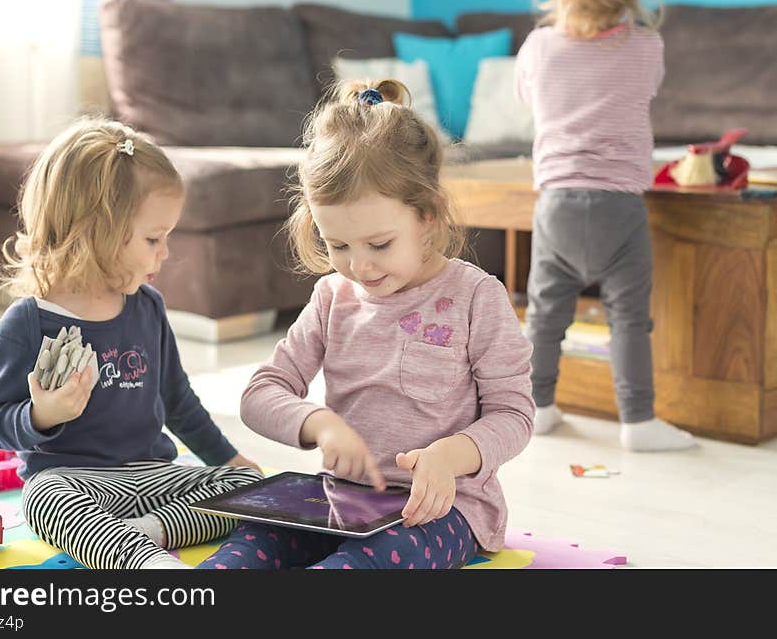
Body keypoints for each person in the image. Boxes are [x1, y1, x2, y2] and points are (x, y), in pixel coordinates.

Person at [196, 80, 535, 570]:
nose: (360, 267)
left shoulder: (476, 296)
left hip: (443, 509)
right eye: (338, 245)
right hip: (341, 500)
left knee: (357, 568)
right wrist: (319, 424)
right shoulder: (332, 297)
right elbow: (259, 394)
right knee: (242, 552)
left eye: (378, 244)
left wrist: (449, 456)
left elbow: (514, 415)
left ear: (428, 216)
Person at [0, 117, 263, 569]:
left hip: (152, 477)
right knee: (43, 499)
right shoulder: (26, 324)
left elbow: (179, 401)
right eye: (153, 238)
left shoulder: (147, 307)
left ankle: (148, 533)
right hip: (73, 480)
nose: (165, 252)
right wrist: (42, 415)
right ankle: (143, 559)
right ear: (95, 231)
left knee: (240, 490)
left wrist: (231, 461)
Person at [515, 0, 696, 451]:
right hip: (620, 205)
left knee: (546, 315)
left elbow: (528, 99)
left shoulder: (538, 47)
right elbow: (643, 90)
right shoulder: (646, 47)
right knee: (629, 318)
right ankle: (637, 420)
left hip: (557, 205)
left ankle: (538, 407)